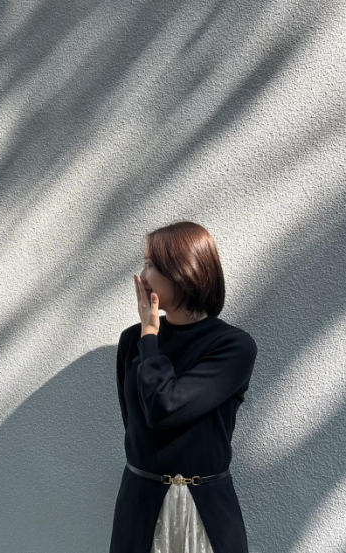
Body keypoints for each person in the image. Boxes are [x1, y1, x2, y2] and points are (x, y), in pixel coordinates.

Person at [109, 221, 258, 553]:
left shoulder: (233, 346)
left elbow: (164, 407)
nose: (141, 276)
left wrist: (150, 336)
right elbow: (135, 422)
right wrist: (147, 336)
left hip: (206, 509)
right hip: (140, 503)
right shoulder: (132, 340)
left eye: (150, 264)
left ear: (182, 271)